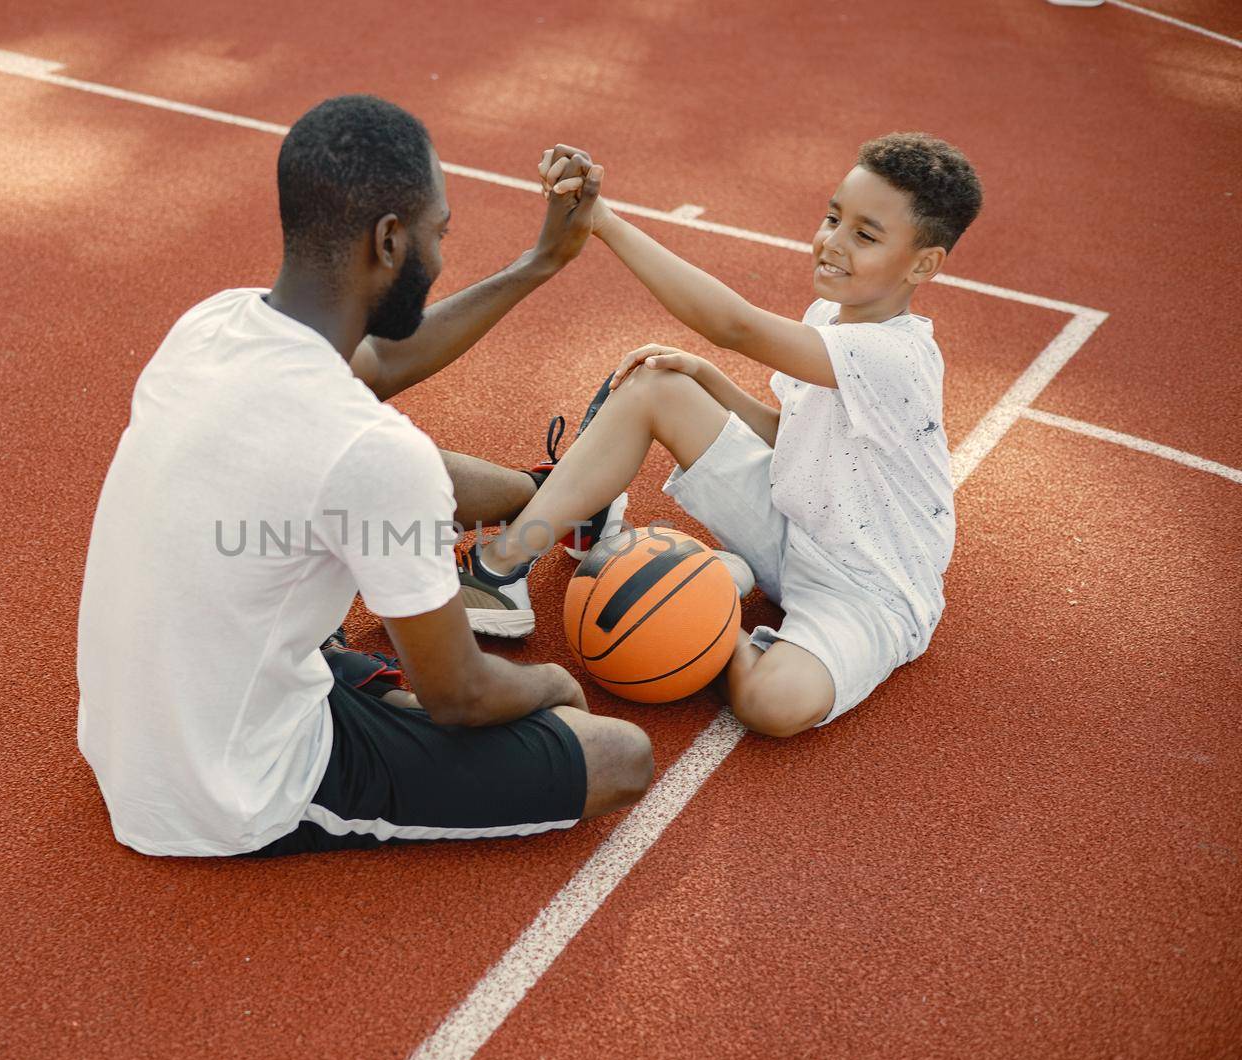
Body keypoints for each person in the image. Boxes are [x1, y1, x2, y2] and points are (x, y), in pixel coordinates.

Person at [75, 95, 652, 858]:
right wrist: (552, 683)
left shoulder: (213, 324)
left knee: (361, 484)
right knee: (619, 755)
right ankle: (376, 679)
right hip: (234, 789)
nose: (442, 255)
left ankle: (554, 496)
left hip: (136, 728)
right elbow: (462, 695)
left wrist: (541, 261)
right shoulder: (371, 452)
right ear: (389, 240)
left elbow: (379, 364)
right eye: (439, 233)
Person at [458, 135, 983, 738]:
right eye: (833, 217)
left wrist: (602, 220)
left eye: (865, 235)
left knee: (771, 707)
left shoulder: (896, 354)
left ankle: (707, 589)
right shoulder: (830, 318)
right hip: (794, 522)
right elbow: (796, 436)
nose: (833, 242)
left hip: (865, 586)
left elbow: (732, 324)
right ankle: (499, 570)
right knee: (659, 385)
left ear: (923, 264)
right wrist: (710, 382)